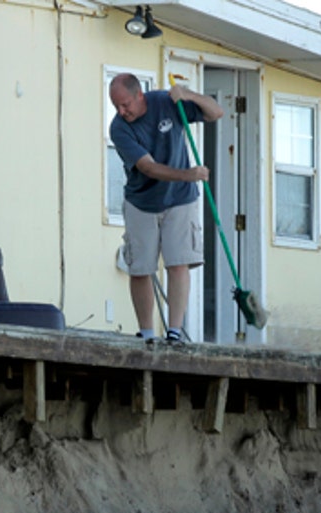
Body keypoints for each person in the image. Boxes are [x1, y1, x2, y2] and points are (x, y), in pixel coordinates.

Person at [108, 73, 224, 343]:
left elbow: (216, 112)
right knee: (140, 268)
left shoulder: (166, 102)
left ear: (140, 95)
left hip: (180, 200)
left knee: (178, 263)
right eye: (116, 107)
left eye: (125, 104)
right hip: (141, 202)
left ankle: (174, 332)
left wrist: (189, 95)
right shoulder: (119, 128)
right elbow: (147, 167)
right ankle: (146, 333)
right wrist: (189, 174)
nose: (121, 112)